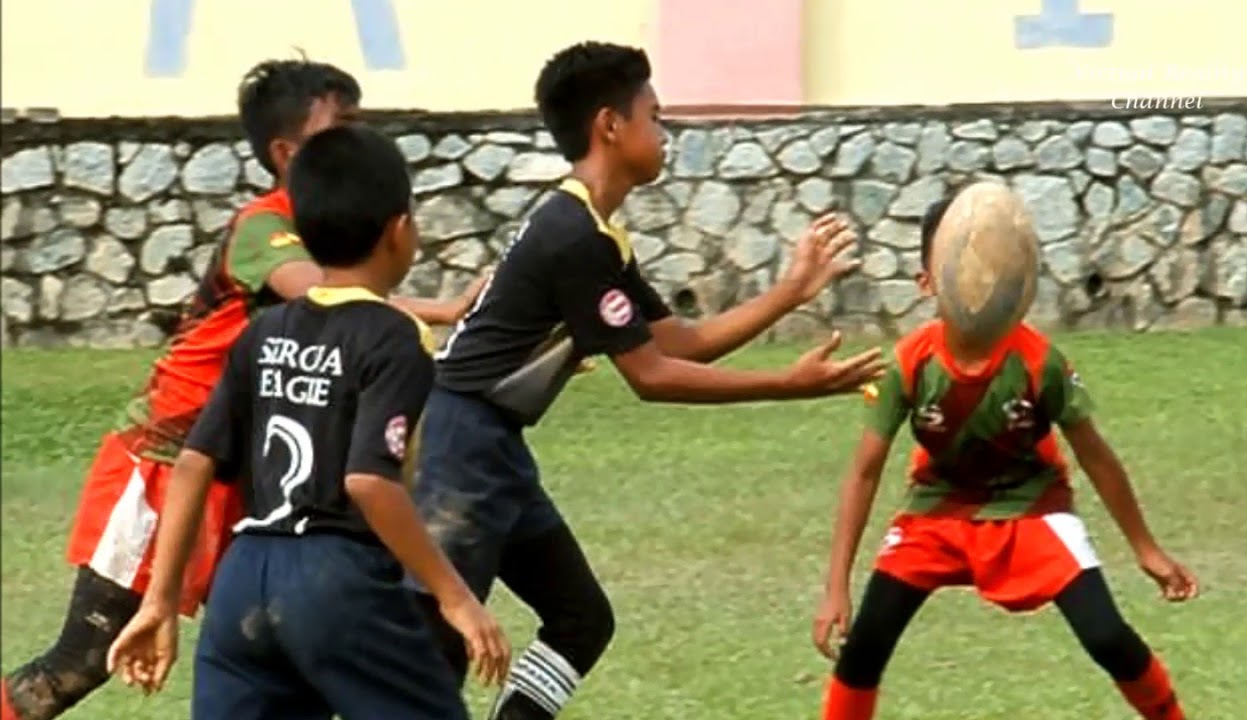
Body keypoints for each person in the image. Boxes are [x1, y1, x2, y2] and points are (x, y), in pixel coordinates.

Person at [412, 41, 887, 720]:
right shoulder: (573, 235)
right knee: (435, 653)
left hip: (492, 445)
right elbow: (654, 377)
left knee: (581, 619)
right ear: (611, 126)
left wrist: (791, 291)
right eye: (654, 116)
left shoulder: (596, 234)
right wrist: (788, 383)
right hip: (459, 448)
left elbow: (678, 342)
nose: (664, 133)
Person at [0, 59, 484, 720]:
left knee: (300, 642)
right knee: (80, 662)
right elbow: (324, 292)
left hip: (243, 474)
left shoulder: (339, 257)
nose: (356, 139)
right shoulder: (264, 226)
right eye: (339, 125)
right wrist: (444, 308)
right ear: (286, 152)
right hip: (165, 469)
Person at [105, 124, 510, 720]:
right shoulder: (397, 336)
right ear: (400, 232)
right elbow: (369, 483)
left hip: (242, 581)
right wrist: (457, 599)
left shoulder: (265, 330)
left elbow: (194, 462)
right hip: (337, 581)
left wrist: (160, 602)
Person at [811, 195, 1198, 720]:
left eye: (992, 269)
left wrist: (1145, 548)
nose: (980, 282)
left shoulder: (1040, 362)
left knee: (1108, 636)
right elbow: (864, 471)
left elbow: (1097, 457)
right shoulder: (911, 362)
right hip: (936, 510)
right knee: (863, 650)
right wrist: (836, 587)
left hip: (1032, 508)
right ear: (928, 282)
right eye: (963, 268)